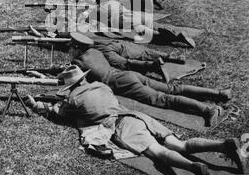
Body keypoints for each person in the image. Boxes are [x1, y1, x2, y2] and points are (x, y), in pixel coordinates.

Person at [25, 65, 246, 175]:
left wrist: (37, 105)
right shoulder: (100, 85)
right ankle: (222, 145)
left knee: (160, 153)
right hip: (136, 116)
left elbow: (57, 112)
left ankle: (193, 169)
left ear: (70, 86)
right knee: (180, 144)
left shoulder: (73, 101)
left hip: (123, 126)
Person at [69, 32, 226, 127]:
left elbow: (72, 80)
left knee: (163, 99)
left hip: (121, 82)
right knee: (172, 89)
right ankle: (219, 93)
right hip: (129, 75)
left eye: (71, 47)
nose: (69, 50)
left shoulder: (77, 62)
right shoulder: (95, 51)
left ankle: (208, 110)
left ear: (76, 48)